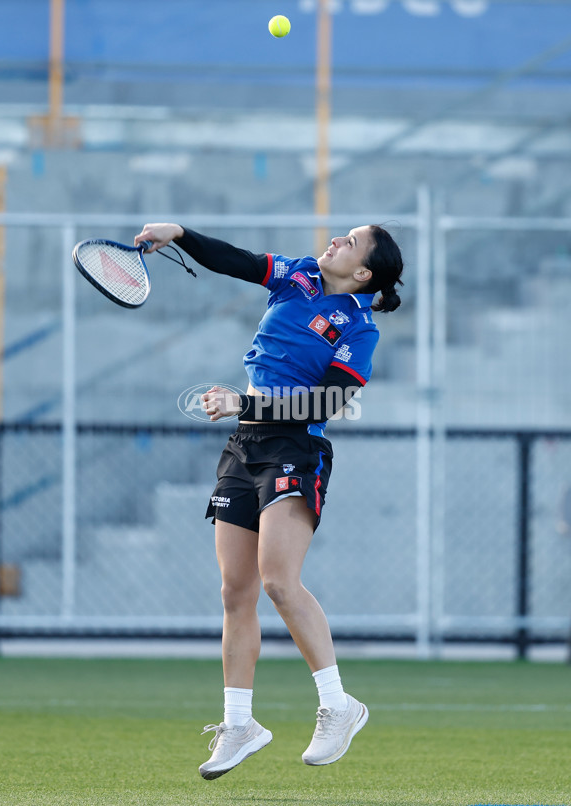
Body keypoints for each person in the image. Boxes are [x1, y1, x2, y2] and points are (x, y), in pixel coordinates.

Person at [134, 222, 404, 780]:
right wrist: (179, 233)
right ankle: (240, 724)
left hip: (296, 447)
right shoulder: (298, 276)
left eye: (350, 243)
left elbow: (324, 402)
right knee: (236, 591)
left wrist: (242, 400)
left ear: (363, 274)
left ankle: (338, 705)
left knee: (279, 580)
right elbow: (235, 259)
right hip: (245, 445)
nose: (336, 240)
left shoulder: (358, 328)